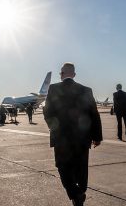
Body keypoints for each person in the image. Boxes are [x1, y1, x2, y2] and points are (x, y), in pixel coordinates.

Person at [44, 63, 102, 206]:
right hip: (82, 138)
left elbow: (47, 112)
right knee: (81, 168)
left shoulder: (53, 88)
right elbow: (94, 114)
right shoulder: (86, 90)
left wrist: (55, 128)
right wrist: (97, 136)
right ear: (74, 75)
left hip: (61, 138)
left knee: (62, 166)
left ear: (61, 74)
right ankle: (79, 194)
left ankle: (76, 194)